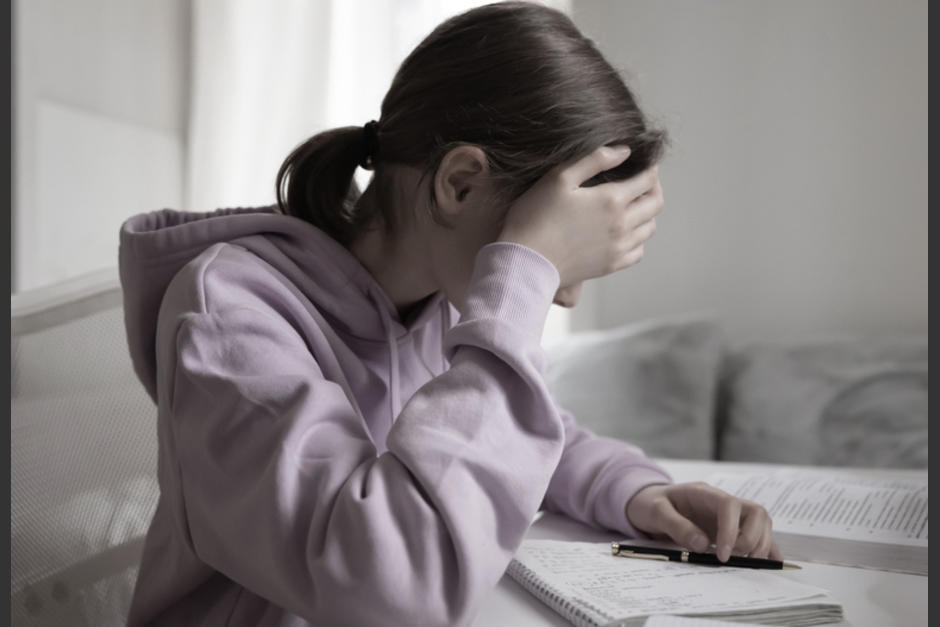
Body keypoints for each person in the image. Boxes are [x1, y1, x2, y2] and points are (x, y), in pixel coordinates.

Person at [120, 2, 781, 625]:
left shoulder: (430, 307)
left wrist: (633, 490)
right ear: (459, 182)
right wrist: (516, 276)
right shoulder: (231, 314)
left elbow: (526, 436)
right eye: (552, 257)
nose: (563, 297)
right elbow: (396, 578)